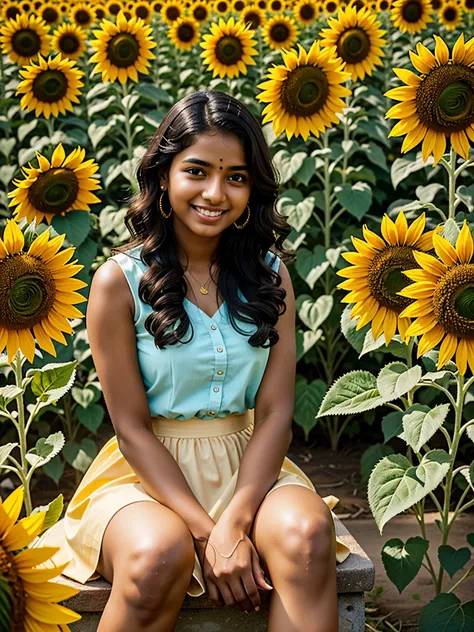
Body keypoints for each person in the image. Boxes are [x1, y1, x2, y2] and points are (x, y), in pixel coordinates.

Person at [32, 90, 350, 632]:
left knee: (306, 537)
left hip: (250, 466)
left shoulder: (270, 275)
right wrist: (209, 532)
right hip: (145, 475)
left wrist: (237, 520)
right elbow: (130, 428)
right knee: (157, 559)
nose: (215, 192)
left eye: (236, 177)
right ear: (163, 175)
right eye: (197, 171)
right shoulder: (119, 282)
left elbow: (274, 414)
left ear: (253, 187)